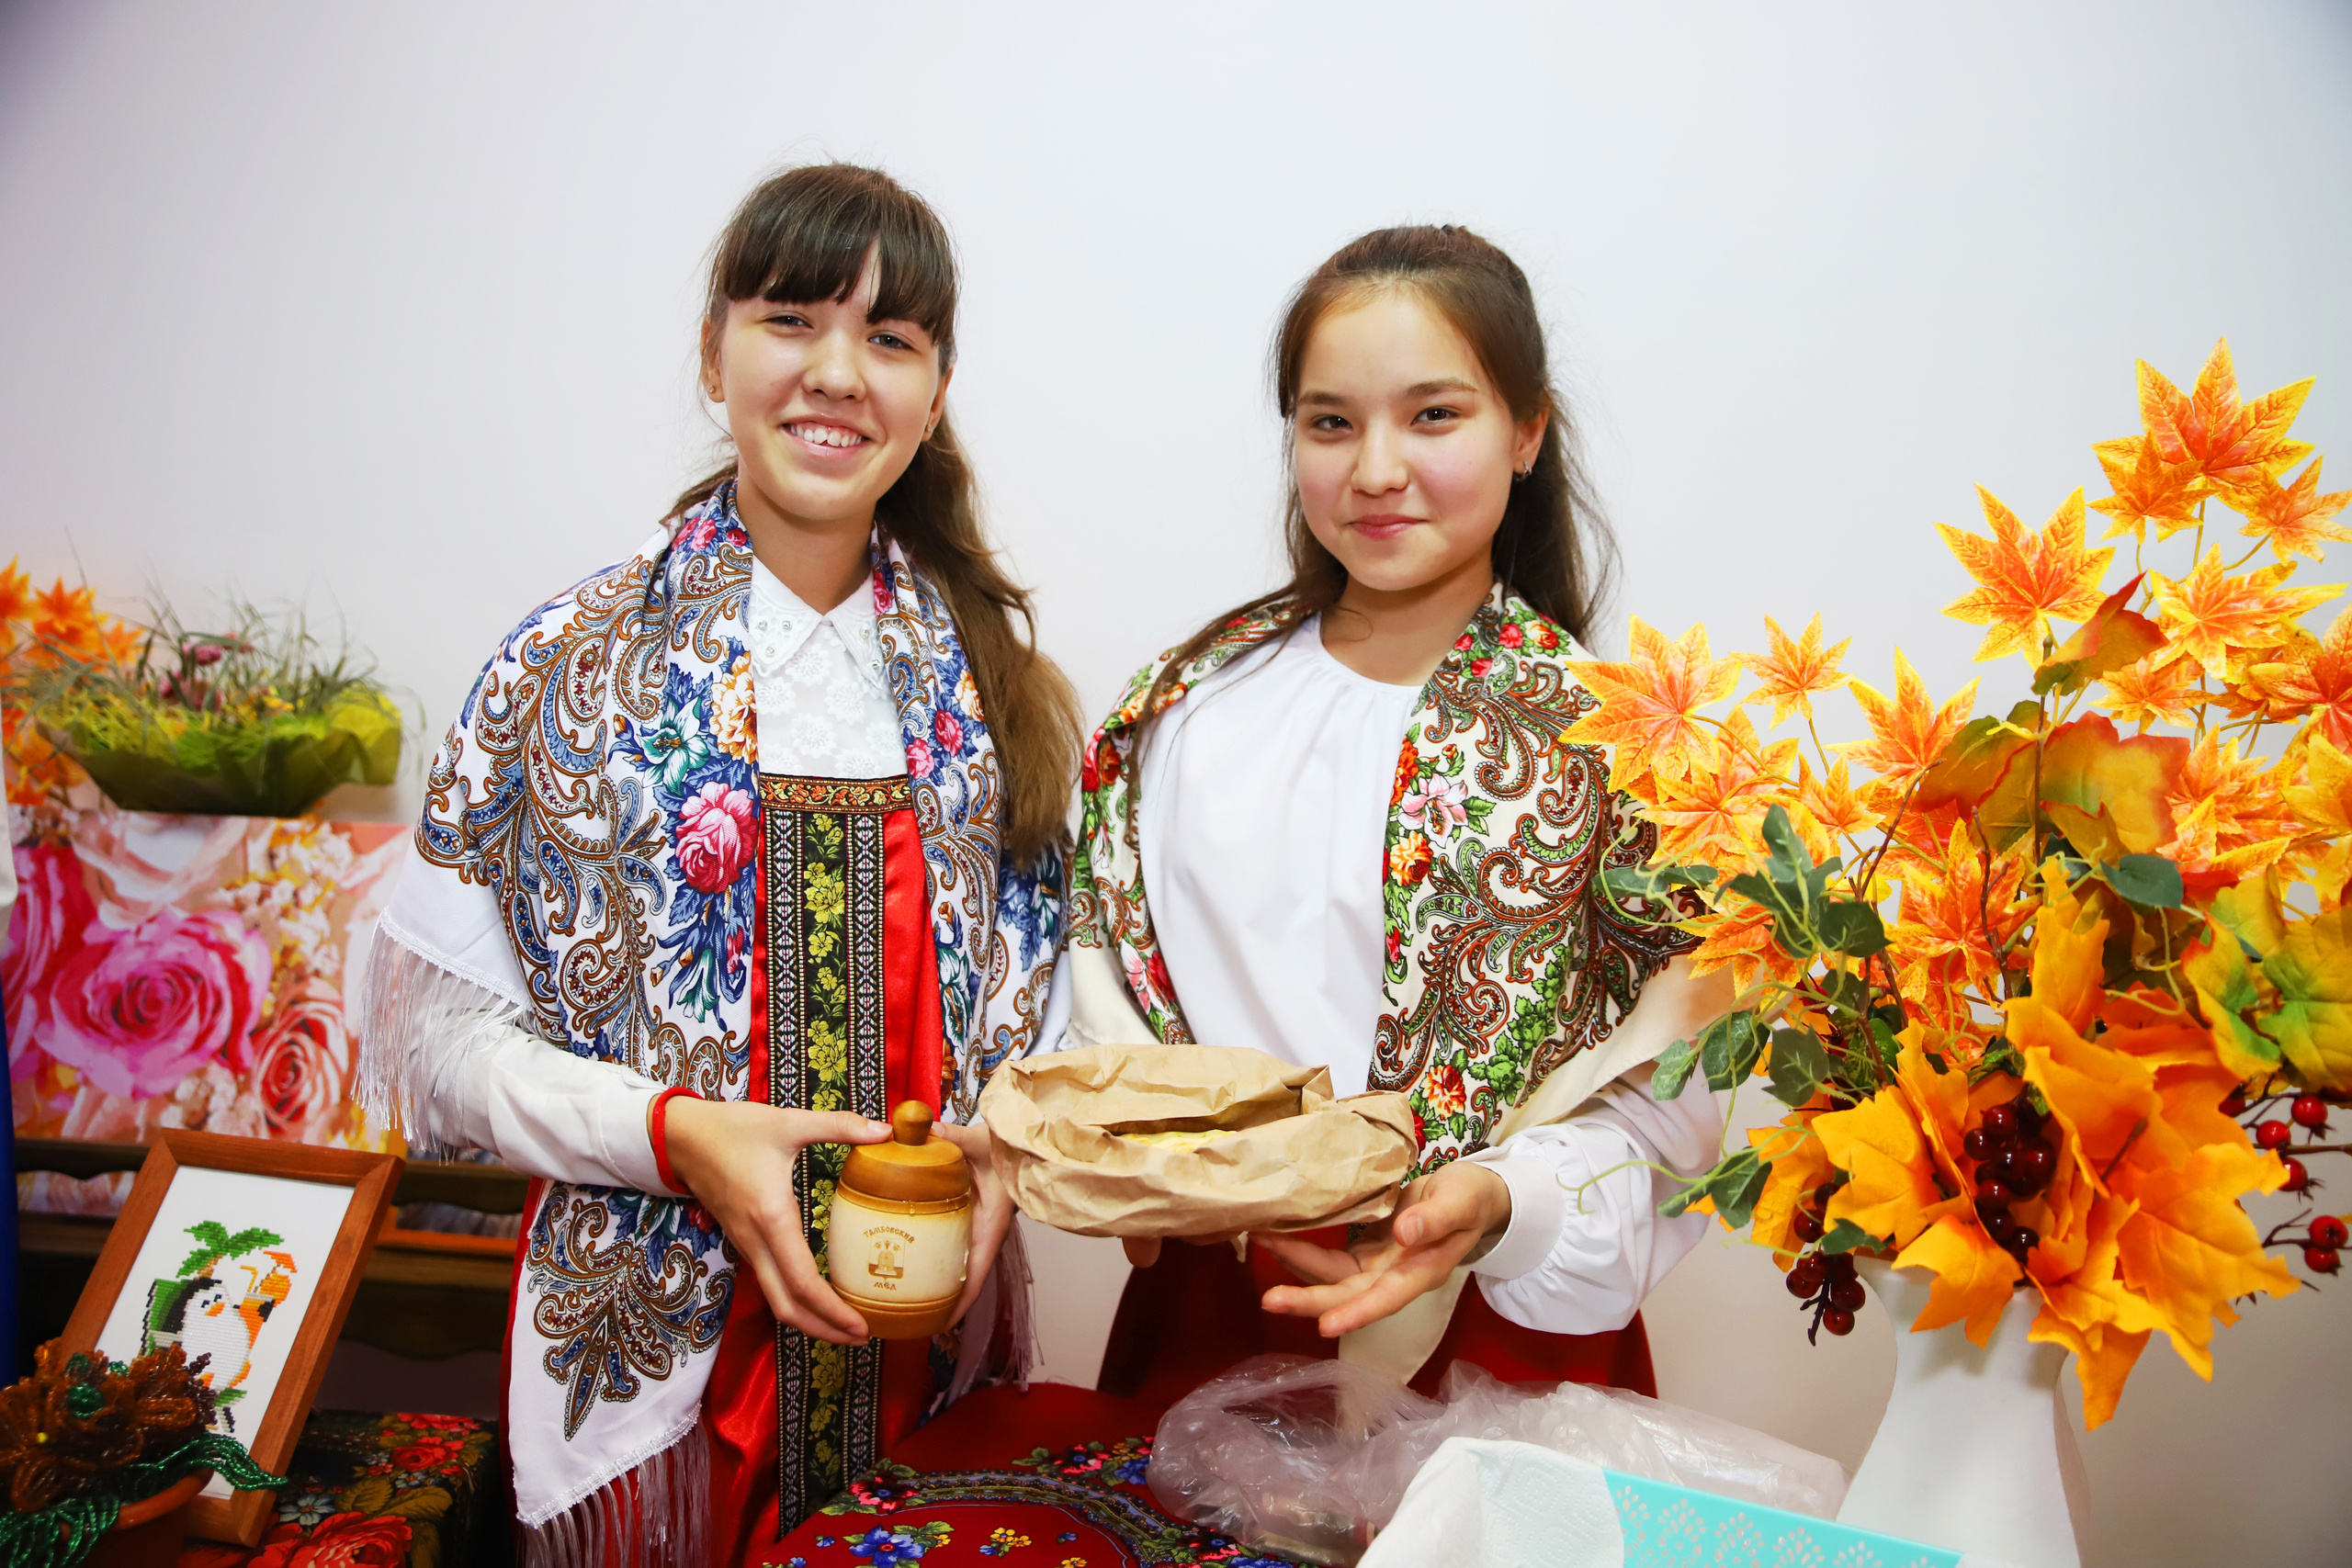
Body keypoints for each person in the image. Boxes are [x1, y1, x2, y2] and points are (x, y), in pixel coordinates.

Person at [357, 164, 1079, 1566]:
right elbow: (439, 1046)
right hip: (660, 1381)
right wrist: (677, 1133)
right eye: (791, 316)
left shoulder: (991, 687)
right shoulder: (564, 670)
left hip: (928, 1344)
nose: (835, 373)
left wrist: (1009, 1142)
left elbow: (1049, 1011)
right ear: (713, 351)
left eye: (890, 338)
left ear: (934, 390)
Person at [1049, 223, 1735, 1404]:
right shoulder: (1185, 707)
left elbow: (1666, 1113)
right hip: (1218, 1324)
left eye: (1432, 415)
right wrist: (1171, 1171)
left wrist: (1500, 1206)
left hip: (1505, 1353)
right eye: (1329, 422)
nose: (1374, 469)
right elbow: (1096, 996)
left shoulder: (1618, 749)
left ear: (1527, 431)